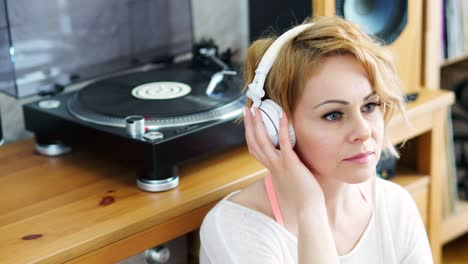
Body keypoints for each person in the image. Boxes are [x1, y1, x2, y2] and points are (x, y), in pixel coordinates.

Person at [199, 16, 433, 263]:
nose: (363, 131)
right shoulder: (235, 230)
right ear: (276, 127)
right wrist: (310, 209)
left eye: (369, 105)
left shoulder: (395, 206)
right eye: (333, 114)